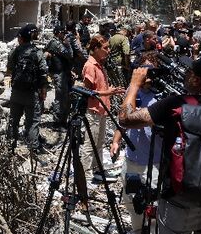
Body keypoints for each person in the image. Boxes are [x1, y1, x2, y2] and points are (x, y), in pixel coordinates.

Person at [119, 57, 201, 234]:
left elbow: (126, 119)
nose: (185, 76)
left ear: (196, 80)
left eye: (189, 73)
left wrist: (134, 84)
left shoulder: (176, 104)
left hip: (179, 202)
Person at [110, 60, 162, 234]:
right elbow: (123, 122)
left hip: (153, 162)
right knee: (131, 201)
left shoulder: (161, 96)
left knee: (153, 205)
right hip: (132, 158)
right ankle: (138, 229)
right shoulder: (132, 93)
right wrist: (116, 141)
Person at [80, 35, 125, 179]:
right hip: (93, 110)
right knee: (89, 144)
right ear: (95, 49)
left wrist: (112, 90)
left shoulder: (100, 64)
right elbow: (87, 91)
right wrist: (107, 92)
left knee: (99, 143)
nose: (108, 50)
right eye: (105, 48)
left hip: (102, 109)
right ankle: (85, 175)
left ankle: (97, 170)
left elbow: (99, 87)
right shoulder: (90, 66)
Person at [6, 24, 49, 153]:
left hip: (16, 92)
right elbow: (43, 73)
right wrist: (43, 91)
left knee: (13, 120)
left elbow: (9, 70)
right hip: (32, 94)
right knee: (32, 123)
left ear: (20, 38)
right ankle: (33, 149)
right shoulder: (38, 52)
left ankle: (10, 146)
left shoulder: (15, 52)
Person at [44, 23, 74, 124]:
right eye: (63, 33)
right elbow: (69, 55)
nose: (64, 35)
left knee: (65, 96)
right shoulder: (56, 43)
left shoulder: (55, 42)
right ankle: (58, 121)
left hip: (63, 72)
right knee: (61, 97)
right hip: (59, 73)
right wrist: (68, 44)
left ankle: (62, 120)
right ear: (59, 33)